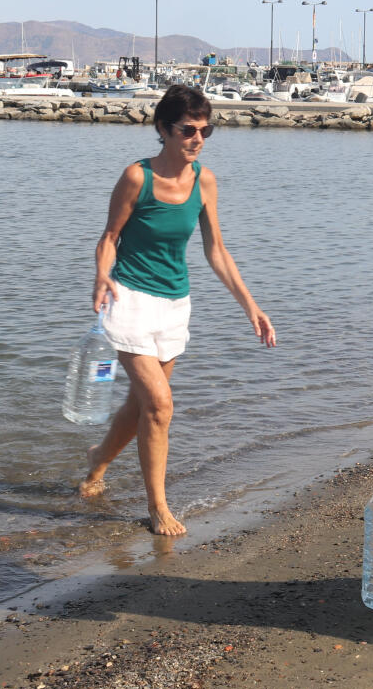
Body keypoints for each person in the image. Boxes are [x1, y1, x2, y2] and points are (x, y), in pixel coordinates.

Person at [78, 85, 276, 535]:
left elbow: (217, 250)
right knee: (161, 406)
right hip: (128, 299)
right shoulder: (137, 177)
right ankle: (158, 507)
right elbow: (110, 238)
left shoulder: (204, 180)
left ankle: (97, 462)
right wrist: (101, 275)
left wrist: (251, 307)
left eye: (206, 131)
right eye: (188, 130)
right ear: (164, 129)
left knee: (143, 404)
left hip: (174, 305)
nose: (198, 139)